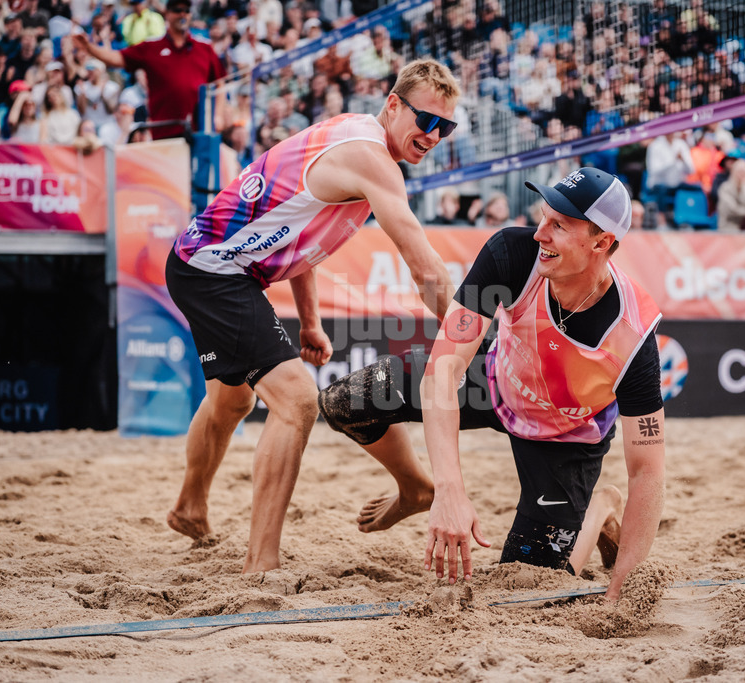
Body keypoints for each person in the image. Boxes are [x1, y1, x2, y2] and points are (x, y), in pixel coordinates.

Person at [163, 59, 462, 574]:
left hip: (214, 264)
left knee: (230, 400)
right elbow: (427, 271)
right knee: (298, 401)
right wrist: (473, 336)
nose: (433, 136)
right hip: (213, 269)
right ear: (393, 105)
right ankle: (261, 566)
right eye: (426, 120)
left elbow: (298, 229)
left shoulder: (354, 139)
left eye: (446, 127)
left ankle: (190, 505)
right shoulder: (371, 160)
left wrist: (309, 321)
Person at [318, 167, 666, 600]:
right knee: (345, 401)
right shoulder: (512, 254)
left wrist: (620, 591)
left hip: (565, 435)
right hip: (496, 381)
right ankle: (416, 487)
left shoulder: (632, 334)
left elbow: (648, 470)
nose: (541, 233)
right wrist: (450, 490)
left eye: (559, 225)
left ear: (602, 242)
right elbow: (443, 371)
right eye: (544, 217)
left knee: (530, 587)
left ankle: (599, 509)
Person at [72, 0, 225, 140]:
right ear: (168, 14)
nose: (183, 14)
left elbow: (220, 83)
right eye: (177, 10)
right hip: (164, 131)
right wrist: (89, 47)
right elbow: (117, 59)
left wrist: (218, 115)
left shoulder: (204, 48)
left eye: (187, 10)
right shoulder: (152, 47)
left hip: (198, 131)